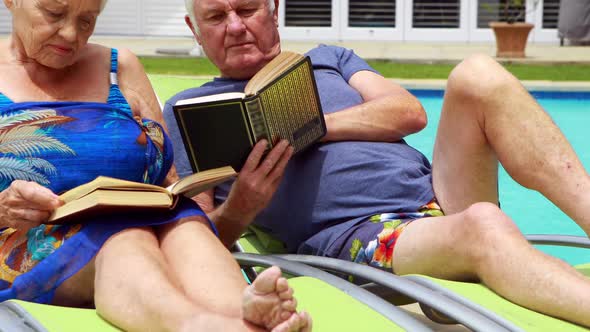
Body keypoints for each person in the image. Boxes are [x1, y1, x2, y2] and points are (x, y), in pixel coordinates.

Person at [164, 0, 590, 327]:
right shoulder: (192, 111)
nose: (236, 26)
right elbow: (198, 243)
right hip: (357, 237)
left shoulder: (329, 58)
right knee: (482, 224)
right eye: (216, 17)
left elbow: (408, 111)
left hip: (439, 199)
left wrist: (309, 127)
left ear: (274, 10)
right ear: (194, 30)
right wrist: (241, 207)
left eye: (247, 8)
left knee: (479, 74)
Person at [0, 0, 312, 331]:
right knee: (126, 234)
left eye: (87, 21)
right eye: (54, 14)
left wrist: (177, 192)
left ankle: (244, 315)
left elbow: (168, 178)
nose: (70, 34)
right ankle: (201, 326)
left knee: (184, 225)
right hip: (27, 238)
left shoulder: (119, 67)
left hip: (144, 219)